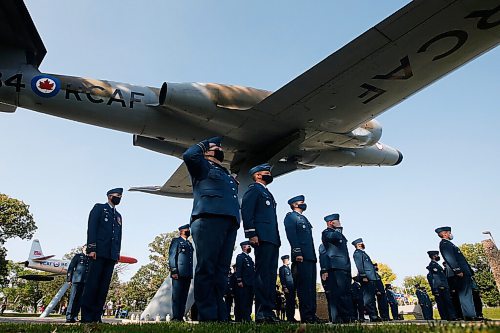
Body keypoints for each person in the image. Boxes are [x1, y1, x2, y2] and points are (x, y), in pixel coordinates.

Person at [183, 137, 240, 321]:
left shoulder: (225, 173)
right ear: (207, 151)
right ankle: (207, 315)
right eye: (216, 147)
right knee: (206, 268)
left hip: (229, 220)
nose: (219, 149)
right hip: (208, 219)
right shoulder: (202, 166)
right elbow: (189, 155)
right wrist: (206, 143)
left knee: (221, 271)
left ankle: (220, 315)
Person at [241, 163, 281, 323]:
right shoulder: (254, 190)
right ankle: (261, 312)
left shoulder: (267, 193)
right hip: (262, 237)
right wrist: (251, 233)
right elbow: (247, 211)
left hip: (272, 238)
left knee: (271, 276)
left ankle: (269, 311)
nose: (268, 175)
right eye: (266, 173)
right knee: (263, 275)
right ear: (257, 175)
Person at [81, 187, 123, 323]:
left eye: (121, 196)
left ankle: (96, 316)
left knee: (103, 287)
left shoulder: (118, 216)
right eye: (117, 195)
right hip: (98, 252)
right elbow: (92, 228)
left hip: (110, 254)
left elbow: (118, 236)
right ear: (110, 196)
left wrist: (117, 254)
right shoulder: (99, 208)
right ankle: (86, 316)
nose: (119, 198)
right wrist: (91, 248)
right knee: (92, 284)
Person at [283, 195, 319, 323]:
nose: (304, 204)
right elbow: (292, 235)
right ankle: (306, 316)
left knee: (311, 287)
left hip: (310, 256)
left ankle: (312, 314)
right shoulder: (291, 217)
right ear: (294, 204)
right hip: (301, 256)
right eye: (301, 202)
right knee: (304, 288)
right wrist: (297, 252)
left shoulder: (303, 218)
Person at [436, 226, 478, 320]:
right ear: (444, 234)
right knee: (465, 294)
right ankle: (469, 315)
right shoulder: (445, 244)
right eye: (449, 232)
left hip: (465, 271)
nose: (451, 234)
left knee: (468, 293)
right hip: (460, 272)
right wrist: (457, 270)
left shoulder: (449, 244)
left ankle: (472, 314)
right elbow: (450, 258)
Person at [321, 213, 354, 323]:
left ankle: (347, 317)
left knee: (346, 292)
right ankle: (339, 318)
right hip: (335, 266)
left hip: (344, 266)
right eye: (336, 221)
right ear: (330, 222)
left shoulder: (338, 234)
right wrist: (339, 228)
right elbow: (335, 237)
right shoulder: (327, 233)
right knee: (339, 293)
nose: (339, 223)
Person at [352, 238, 381, 322]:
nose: (363, 243)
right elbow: (359, 265)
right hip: (367, 278)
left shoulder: (362, 253)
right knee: (368, 298)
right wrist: (363, 275)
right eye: (361, 243)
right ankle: (373, 316)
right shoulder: (357, 253)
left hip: (371, 277)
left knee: (371, 298)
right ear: (358, 244)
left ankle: (374, 315)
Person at [169, 224, 194, 321]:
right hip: (178, 273)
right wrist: (174, 270)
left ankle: (180, 316)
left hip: (187, 274)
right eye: (186, 229)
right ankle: (175, 317)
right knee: (177, 296)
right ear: (181, 231)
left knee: (184, 297)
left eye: (188, 229)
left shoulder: (189, 244)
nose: (188, 231)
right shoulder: (176, 241)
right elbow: (172, 257)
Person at [426, 250, 457, 321]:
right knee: (443, 303)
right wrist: (437, 288)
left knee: (447, 302)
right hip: (440, 287)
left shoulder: (436, 265)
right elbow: (435, 278)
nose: (438, 256)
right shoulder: (433, 265)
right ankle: (448, 316)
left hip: (443, 286)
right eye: (436, 255)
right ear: (433, 256)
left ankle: (450, 316)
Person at [65, 245, 90, 323]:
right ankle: (69, 316)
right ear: (82, 249)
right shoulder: (78, 256)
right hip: (77, 280)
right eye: (85, 248)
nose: (86, 250)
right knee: (73, 298)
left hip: (85, 281)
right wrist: (69, 279)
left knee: (80, 300)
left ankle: (75, 316)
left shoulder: (89, 258)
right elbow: (71, 267)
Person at [234, 241, 255, 322]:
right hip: (244, 283)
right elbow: (239, 269)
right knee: (243, 301)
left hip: (250, 283)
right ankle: (243, 318)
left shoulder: (249, 258)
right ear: (244, 247)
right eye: (248, 246)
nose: (250, 248)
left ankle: (247, 316)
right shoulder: (240, 257)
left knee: (249, 301)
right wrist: (239, 280)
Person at [278, 255, 297, 322]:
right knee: (289, 303)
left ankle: (292, 317)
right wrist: (284, 287)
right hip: (288, 289)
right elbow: (282, 278)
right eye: (287, 259)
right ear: (285, 260)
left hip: (292, 288)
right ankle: (289, 318)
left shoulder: (289, 268)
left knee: (292, 303)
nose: (288, 261)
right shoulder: (282, 268)